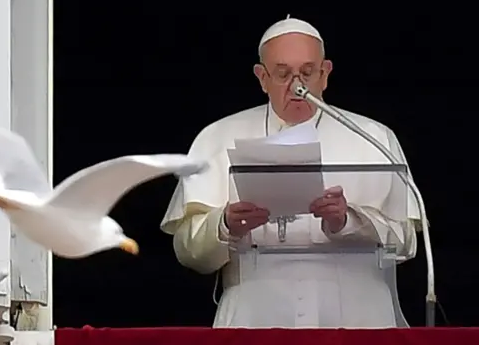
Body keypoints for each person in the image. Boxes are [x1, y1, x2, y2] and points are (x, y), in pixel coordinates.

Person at [160, 16, 423, 328]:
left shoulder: (374, 137)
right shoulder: (216, 137)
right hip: (254, 315)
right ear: (262, 78)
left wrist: (349, 220)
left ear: (325, 74)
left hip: (359, 315)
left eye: (308, 73)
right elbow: (187, 252)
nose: (297, 85)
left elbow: (408, 243)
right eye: (283, 74)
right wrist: (225, 225)